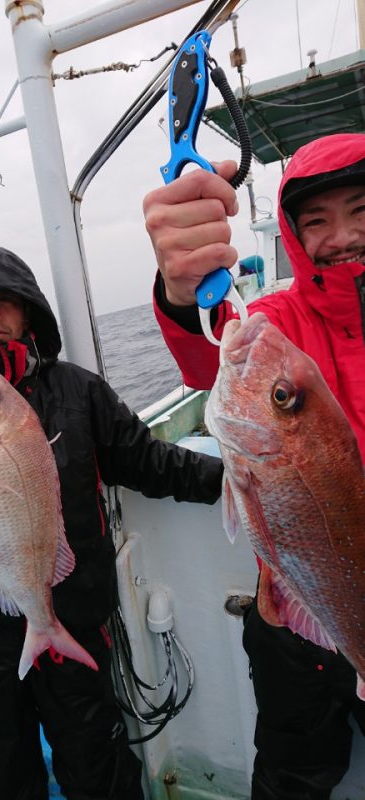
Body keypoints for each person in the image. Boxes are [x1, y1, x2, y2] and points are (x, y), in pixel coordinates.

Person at [0, 243, 225, 800]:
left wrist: (236, 479)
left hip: (72, 618)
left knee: (99, 770)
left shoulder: (79, 391)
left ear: (29, 310)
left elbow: (148, 461)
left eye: (6, 300)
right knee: (0, 781)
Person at [143, 132, 365, 800]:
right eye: (316, 221)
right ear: (293, 235)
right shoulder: (274, 322)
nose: (342, 236)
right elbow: (210, 349)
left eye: (361, 211)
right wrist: (184, 289)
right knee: (291, 777)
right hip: (291, 614)